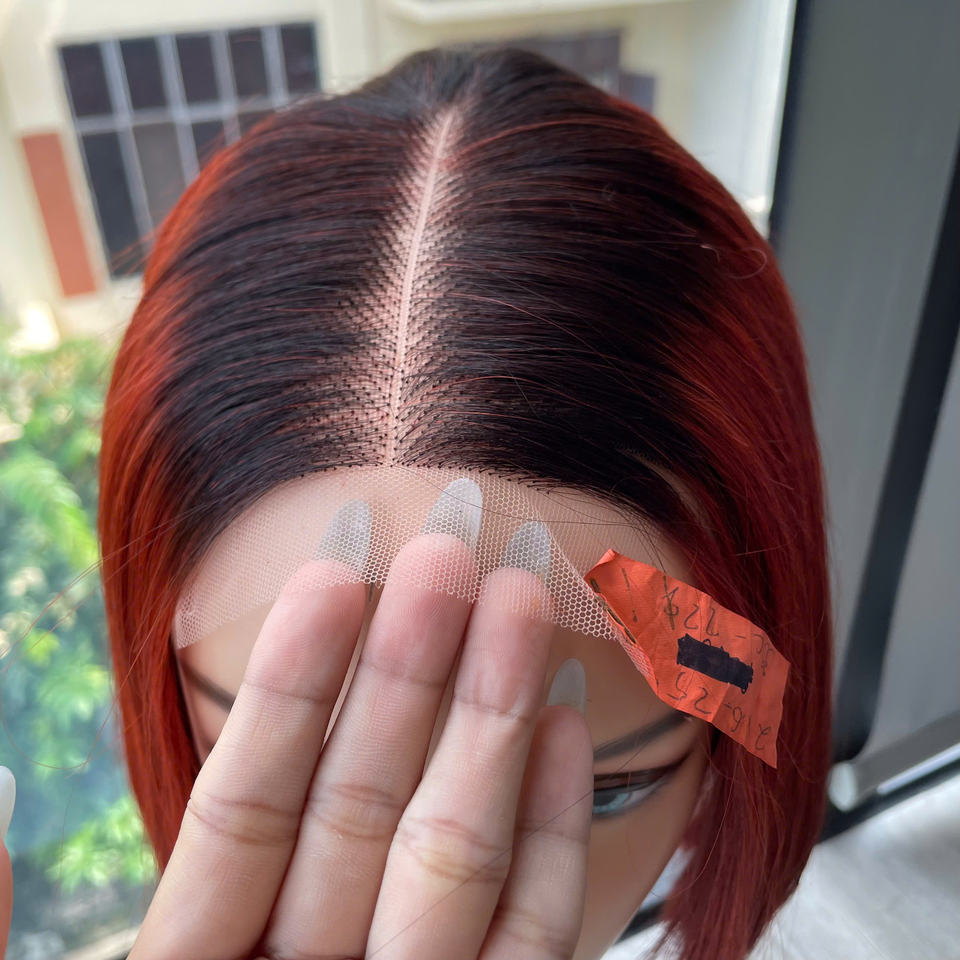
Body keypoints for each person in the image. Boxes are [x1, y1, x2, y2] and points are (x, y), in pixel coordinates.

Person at [4, 45, 833, 960]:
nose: (429, 911)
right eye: (289, 775)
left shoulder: (738, 678)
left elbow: (759, 694)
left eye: (597, 791)